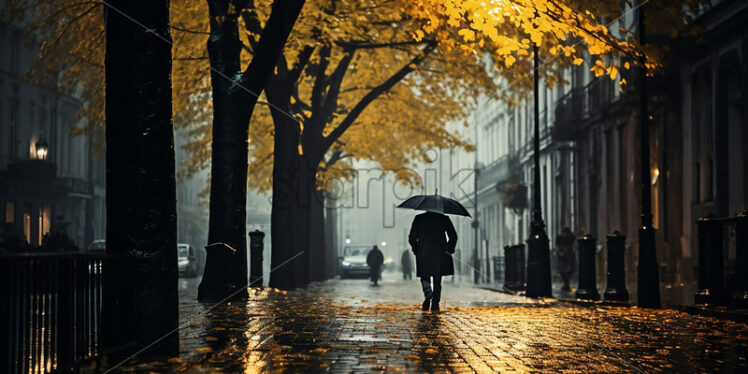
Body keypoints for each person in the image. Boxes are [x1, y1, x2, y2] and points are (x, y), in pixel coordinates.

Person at [408, 211, 457, 312]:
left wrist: (416, 249)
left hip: (423, 253)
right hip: (439, 253)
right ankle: (435, 304)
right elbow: (453, 236)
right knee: (437, 280)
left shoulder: (419, 218)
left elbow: (412, 237)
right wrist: (448, 249)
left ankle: (427, 291)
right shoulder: (444, 218)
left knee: (424, 276)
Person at [555, 227, 576, 292]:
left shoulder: (560, 236)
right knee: (568, 270)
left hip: (563, 254)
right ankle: (567, 284)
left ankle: (566, 284)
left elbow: (557, 244)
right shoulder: (571, 236)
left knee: (563, 270)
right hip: (568, 254)